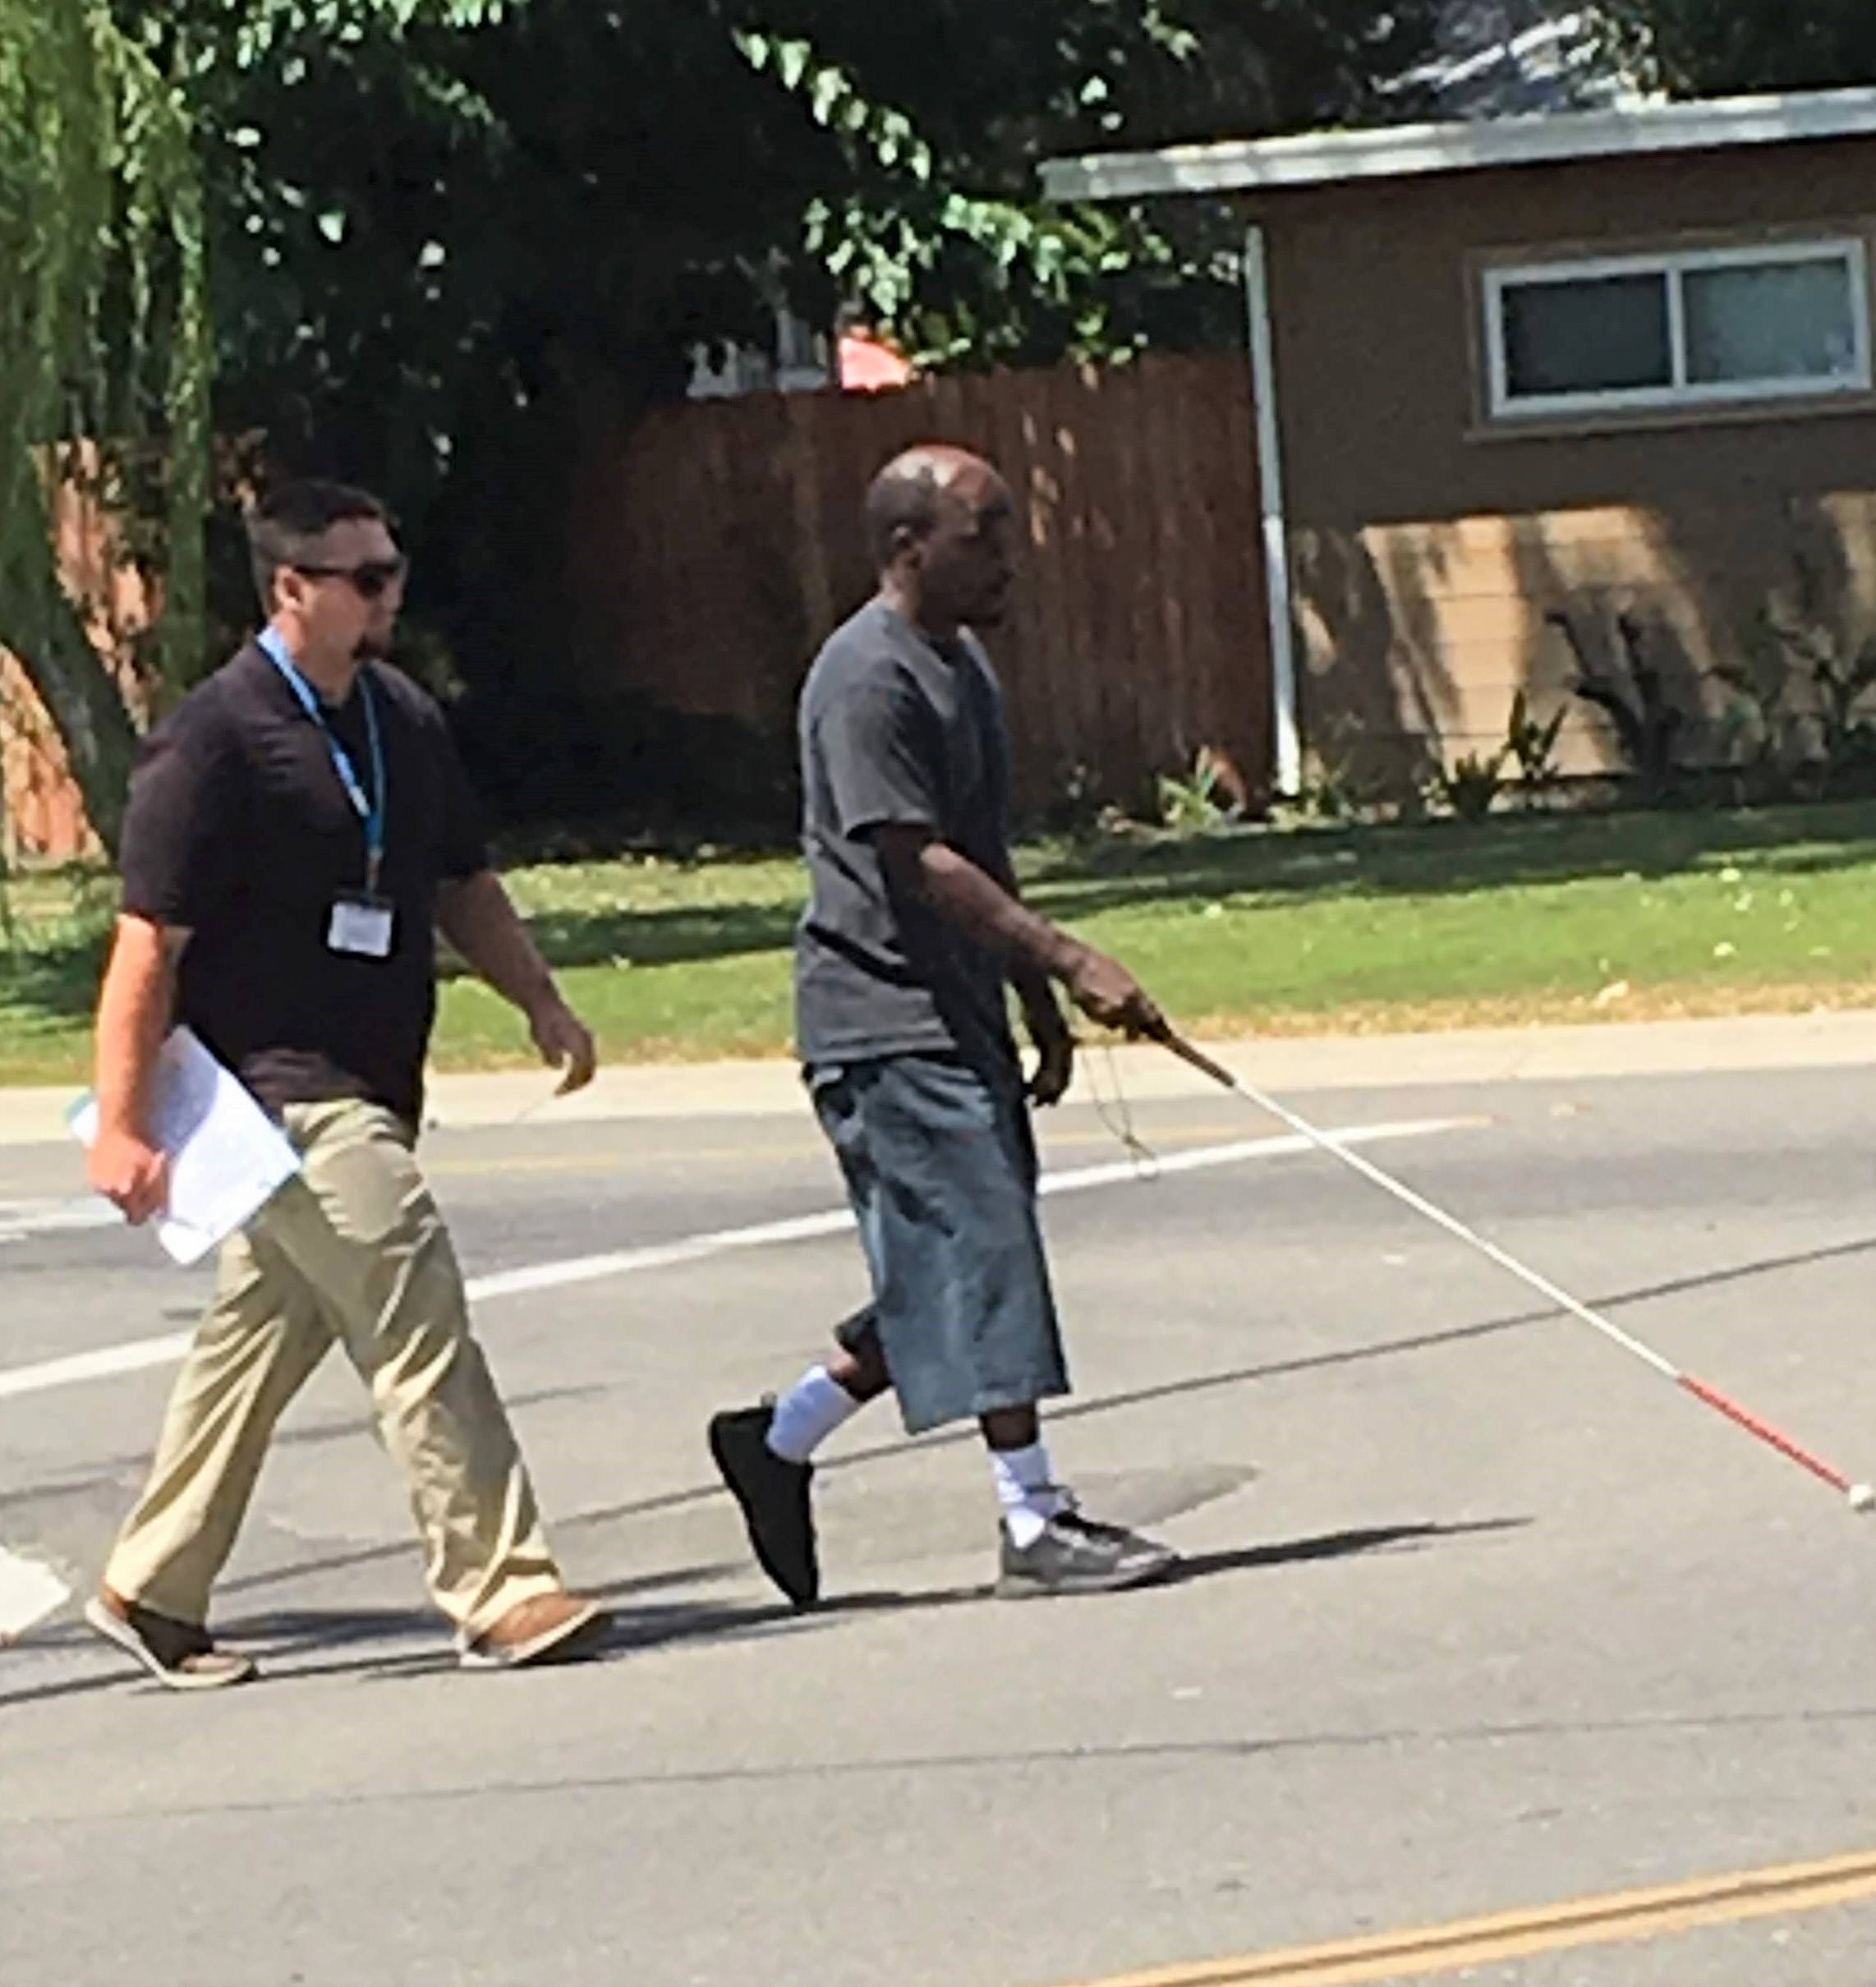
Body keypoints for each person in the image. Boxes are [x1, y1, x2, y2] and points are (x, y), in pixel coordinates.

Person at [84, 478, 608, 1687]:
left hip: (370, 1080)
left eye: (393, 572)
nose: (388, 596)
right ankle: (501, 1590)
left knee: (261, 1337)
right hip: (276, 1095)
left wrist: (540, 998)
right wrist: (118, 1127)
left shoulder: (401, 721)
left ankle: (151, 1588)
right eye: (363, 578)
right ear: (290, 589)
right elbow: (145, 946)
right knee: (417, 1316)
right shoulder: (212, 740)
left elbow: (458, 881)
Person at [709, 444, 1180, 1604]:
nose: (1010, 558)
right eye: (987, 536)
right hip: (880, 1020)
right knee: (984, 1251)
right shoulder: (866, 681)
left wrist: (1032, 1004)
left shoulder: (958, 664)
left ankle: (776, 1442)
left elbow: (980, 846)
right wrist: (1068, 958)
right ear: (908, 549)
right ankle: (1033, 1518)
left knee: (949, 1270)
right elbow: (913, 858)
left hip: (954, 1014)